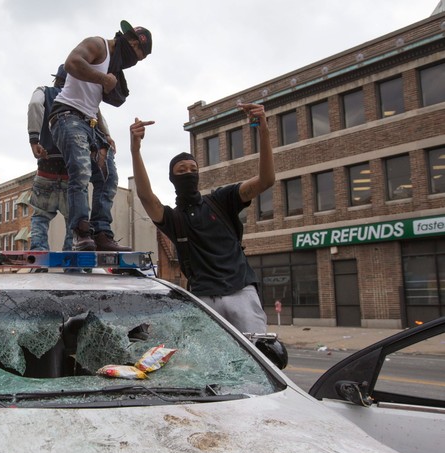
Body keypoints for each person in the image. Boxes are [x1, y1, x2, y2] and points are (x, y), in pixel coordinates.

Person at [129, 103, 275, 333]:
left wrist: (263, 130)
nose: (188, 173)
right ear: (172, 178)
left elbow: (265, 180)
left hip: (240, 292)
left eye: (192, 169)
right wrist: (135, 150)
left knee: (257, 356)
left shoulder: (222, 200)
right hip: (202, 299)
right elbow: (146, 196)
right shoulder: (174, 220)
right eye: (181, 170)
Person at [49, 20, 152, 251]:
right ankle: (81, 231)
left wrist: (105, 133)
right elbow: (72, 62)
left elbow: (92, 102)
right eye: (138, 56)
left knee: (108, 177)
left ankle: (102, 233)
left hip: (90, 121)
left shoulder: (114, 66)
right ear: (133, 43)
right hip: (66, 114)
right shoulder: (98, 45)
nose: (135, 63)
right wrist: (103, 79)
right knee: (81, 168)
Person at [28, 65, 114, 251]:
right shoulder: (81, 97)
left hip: (47, 168)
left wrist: (34, 138)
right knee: (72, 221)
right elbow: (98, 116)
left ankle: (38, 254)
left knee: (40, 216)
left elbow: (35, 104)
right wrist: (106, 136)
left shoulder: (44, 91)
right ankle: (72, 259)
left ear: (56, 79)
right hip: (70, 171)